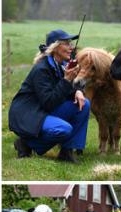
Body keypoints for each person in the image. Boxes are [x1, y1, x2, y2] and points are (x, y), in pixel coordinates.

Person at [8, 29, 91, 163]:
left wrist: (78, 90)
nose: (71, 47)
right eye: (67, 44)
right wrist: (66, 81)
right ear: (55, 47)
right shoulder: (41, 69)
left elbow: (69, 87)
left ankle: (67, 151)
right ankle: (26, 144)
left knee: (84, 104)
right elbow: (49, 102)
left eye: (71, 43)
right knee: (63, 129)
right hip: (29, 113)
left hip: (43, 109)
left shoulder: (62, 65)